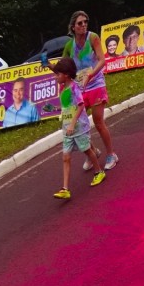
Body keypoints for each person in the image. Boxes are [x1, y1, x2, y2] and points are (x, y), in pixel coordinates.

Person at [63, 11, 119, 171]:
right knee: (79, 124)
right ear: (73, 27)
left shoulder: (93, 37)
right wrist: (51, 68)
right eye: (80, 23)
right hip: (80, 88)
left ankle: (111, 154)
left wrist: (91, 74)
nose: (83, 25)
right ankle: (92, 153)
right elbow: (65, 66)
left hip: (96, 84)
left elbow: (102, 59)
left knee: (98, 121)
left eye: (85, 22)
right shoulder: (69, 46)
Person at [50, 58, 106, 200]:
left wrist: (73, 124)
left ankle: (99, 172)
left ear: (66, 75)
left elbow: (81, 105)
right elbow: (66, 107)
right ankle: (65, 189)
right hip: (67, 129)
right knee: (65, 157)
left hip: (79, 127)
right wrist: (54, 108)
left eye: (57, 74)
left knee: (87, 150)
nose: (55, 77)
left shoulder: (75, 88)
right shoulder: (63, 88)